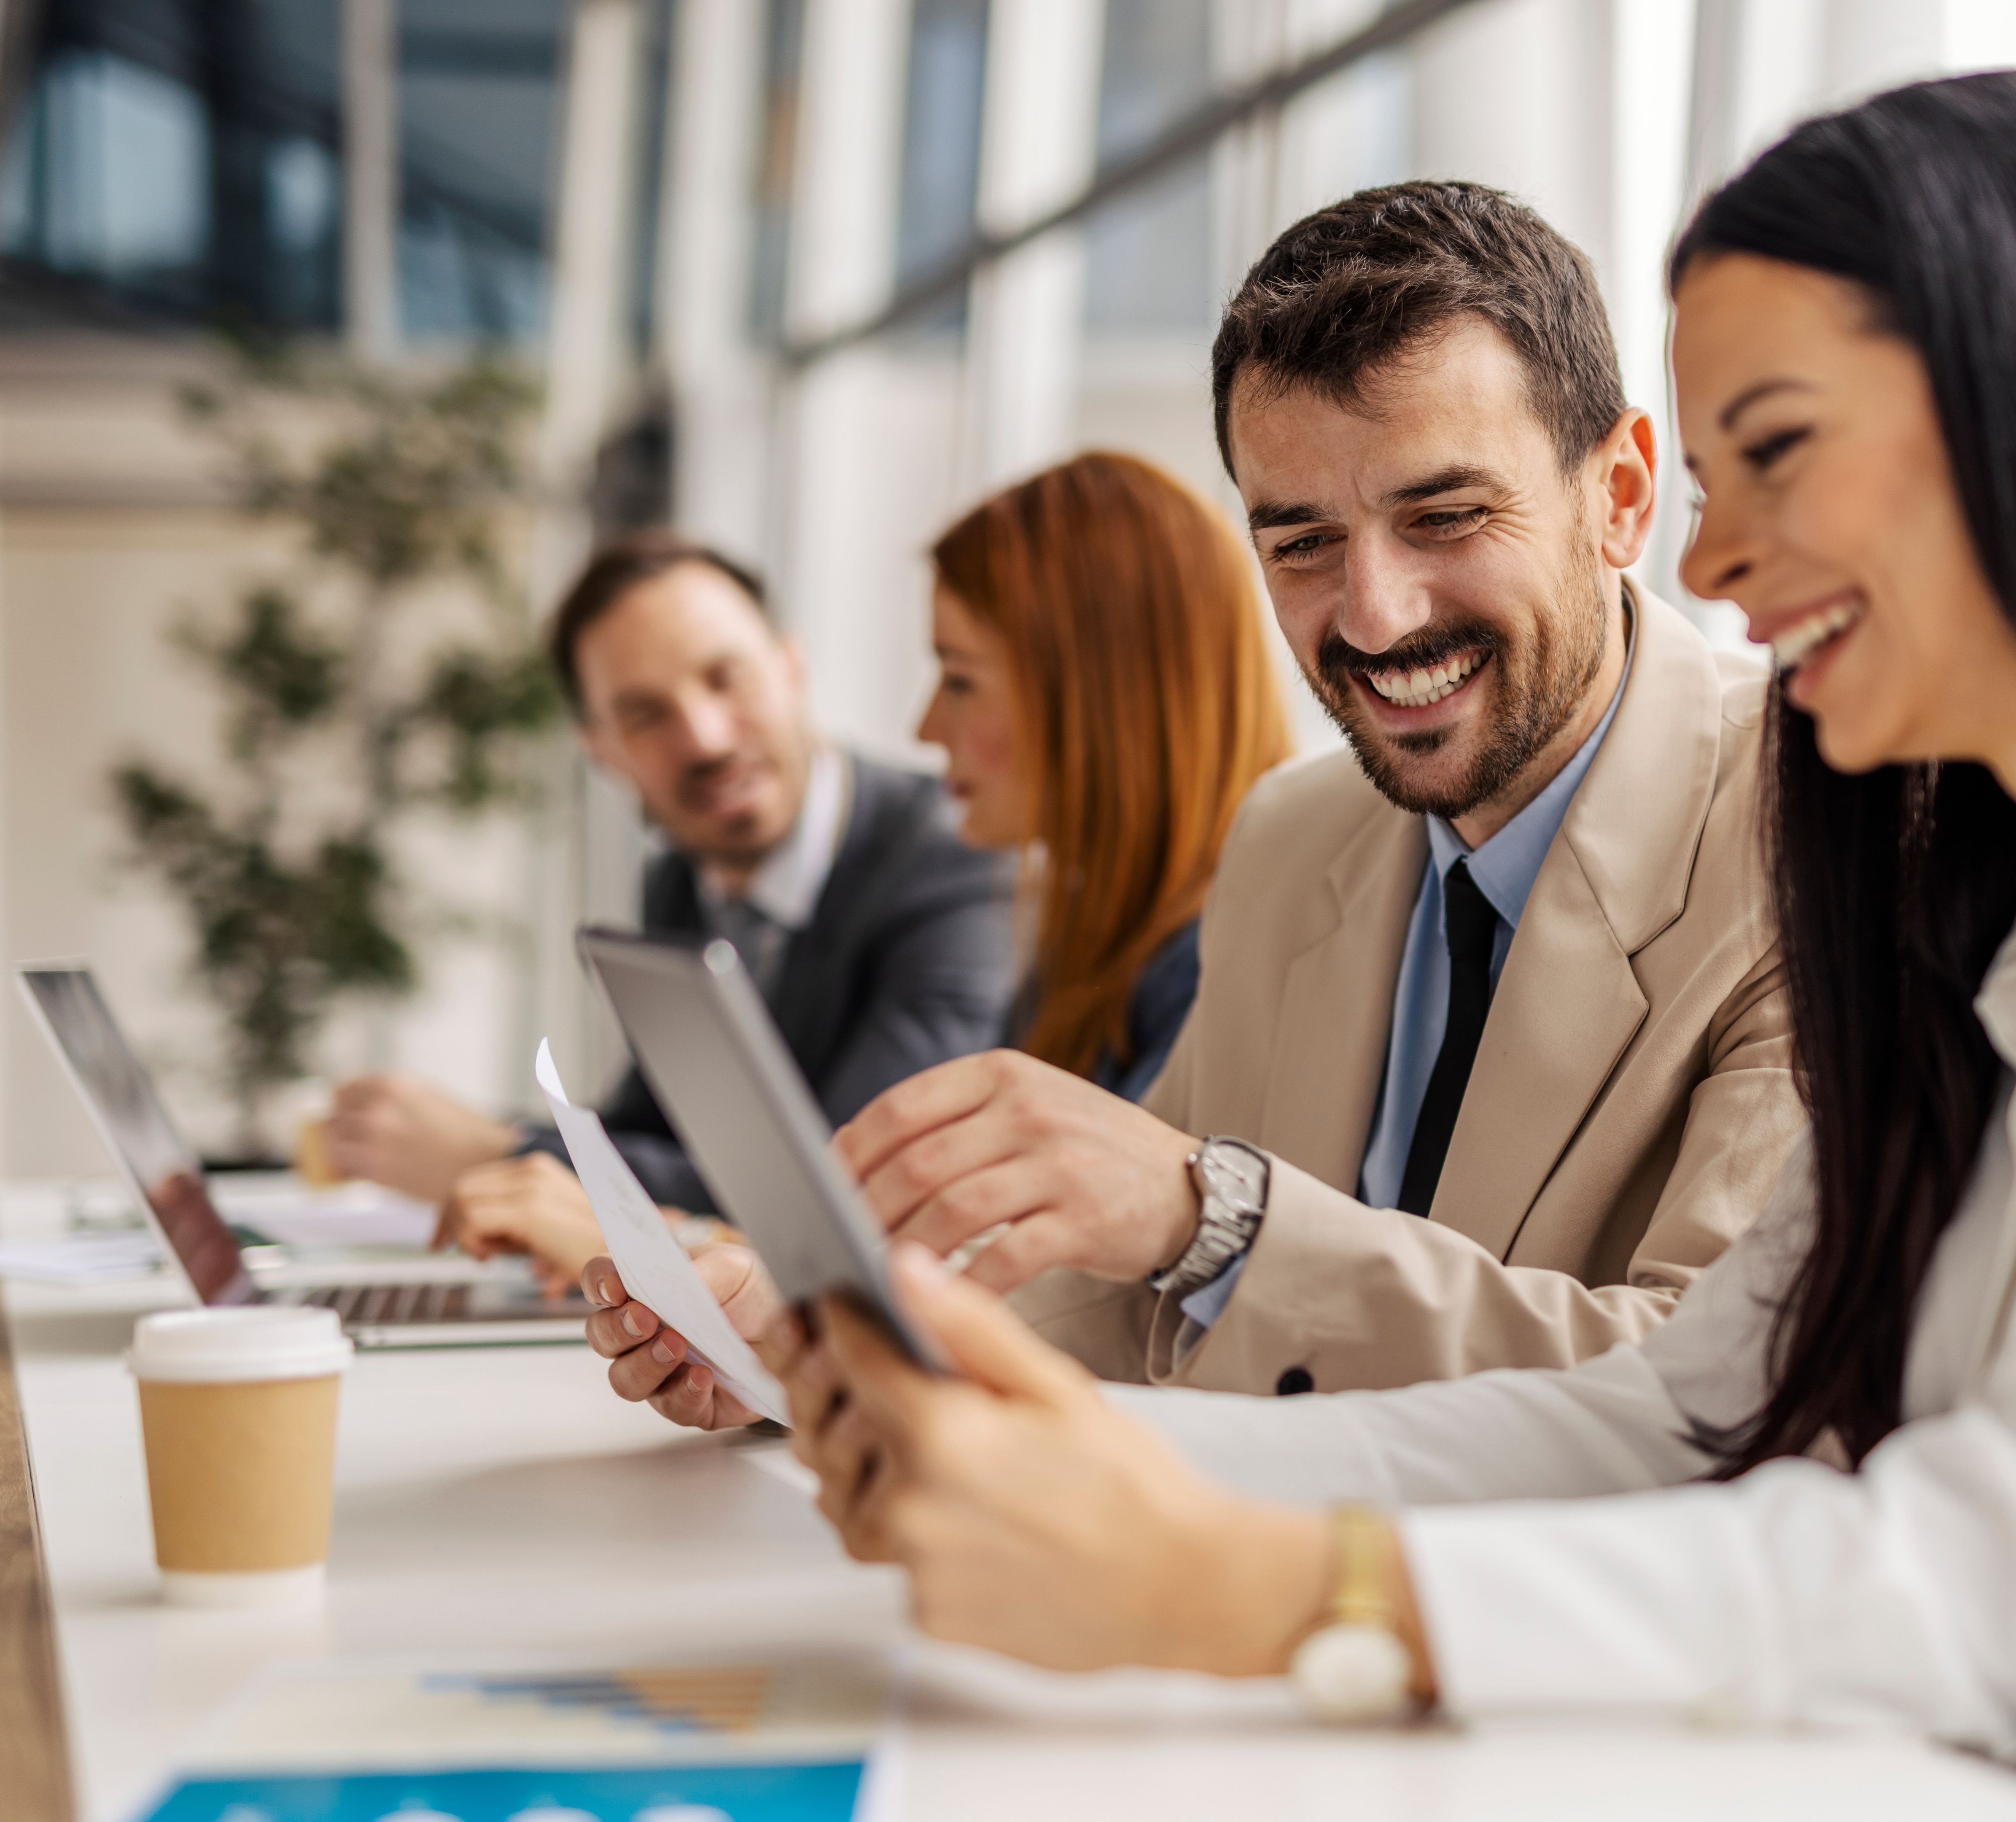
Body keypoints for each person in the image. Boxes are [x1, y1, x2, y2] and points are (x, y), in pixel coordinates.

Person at [587, 73, 2016, 1822]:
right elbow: (1690, 1412)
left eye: (1776, 456)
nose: (1713, 566)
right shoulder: (1994, 895)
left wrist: (1247, 1589)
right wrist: (1041, 1437)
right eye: (1717, 484)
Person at [730, 181, 1803, 1407]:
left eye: (1444, 516)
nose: (1372, 614)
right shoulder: (1293, 841)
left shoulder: (1817, 832)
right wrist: (827, 1336)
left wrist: (1222, 1225)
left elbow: (1720, 1385)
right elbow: (1127, 1279)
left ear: (1616, 497)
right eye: (1299, 544)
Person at [320, 532, 1013, 1246]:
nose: (706, 739)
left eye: (726, 678)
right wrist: (476, 1146)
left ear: (791, 666)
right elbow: (660, 1133)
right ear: (599, 748)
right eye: (645, 714)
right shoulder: (682, 878)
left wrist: (491, 1156)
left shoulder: (959, 863)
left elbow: (838, 1192)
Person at [921, 450, 1292, 1103]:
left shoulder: (1217, 979)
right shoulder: (1098, 939)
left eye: (959, 681)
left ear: (1099, 701)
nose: (923, 728)